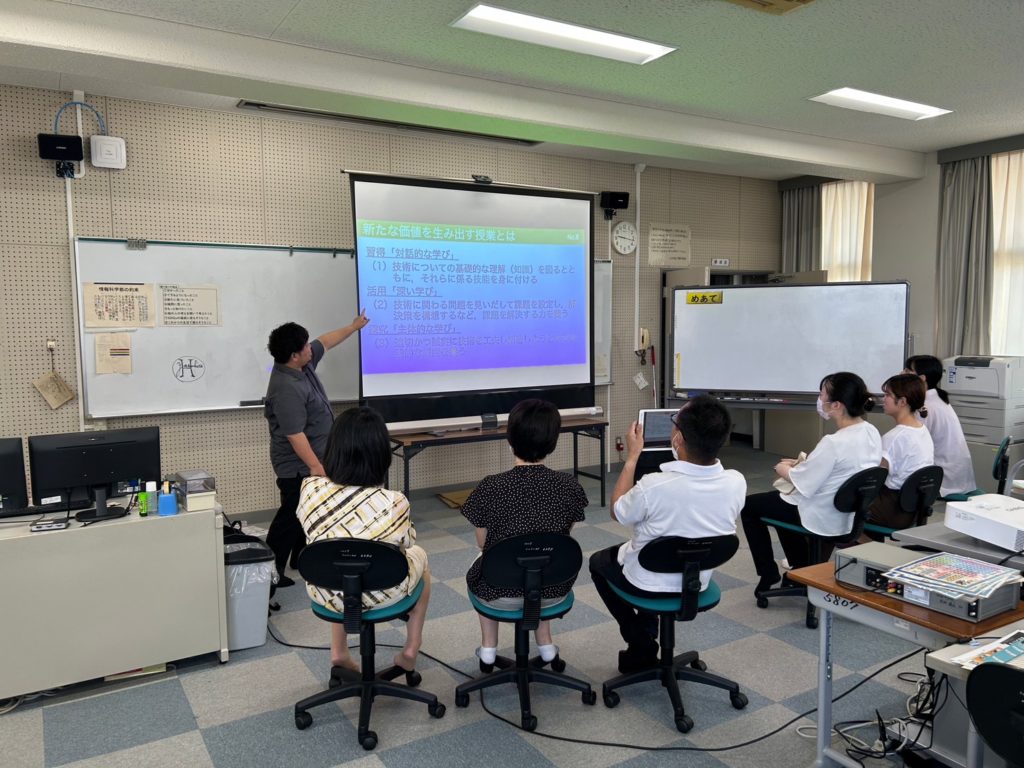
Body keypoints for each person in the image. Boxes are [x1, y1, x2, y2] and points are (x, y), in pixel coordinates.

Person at [589, 395, 746, 673]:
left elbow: (617, 511)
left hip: (648, 580)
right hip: (696, 580)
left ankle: (640, 641)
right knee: (653, 552)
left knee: (598, 563)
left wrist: (632, 458)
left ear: (679, 438)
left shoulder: (653, 486)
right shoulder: (737, 482)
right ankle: (646, 635)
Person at [296, 406, 430, 674]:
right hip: (384, 591)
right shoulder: (394, 501)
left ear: (333, 450)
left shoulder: (309, 489)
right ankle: (411, 648)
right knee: (421, 558)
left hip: (325, 590)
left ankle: (339, 651)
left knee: (338, 560)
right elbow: (407, 542)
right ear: (381, 455)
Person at [461, 399, 588, 668]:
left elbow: (483, 544)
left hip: (499, 592)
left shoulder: (490, 487)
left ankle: (488, 648)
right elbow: (560, 539)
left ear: (510, 440)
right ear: (553, 442)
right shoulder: (569, 486)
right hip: (554, 590)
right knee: (542, 557)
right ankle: (546, 645)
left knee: (484, 559)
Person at [740, 372, 882, 598]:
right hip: (848, 512)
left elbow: (803, 482)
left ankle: (768, 574)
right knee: (778, 504)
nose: (819, 398)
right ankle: (801, 569)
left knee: (750, 506)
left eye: (822, 394)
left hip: (821, 513)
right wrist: (802, 465)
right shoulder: (870, 431)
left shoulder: (833, 442)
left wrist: (783, 468)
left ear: (836, 405)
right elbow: (841, 469)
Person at [264, 312, 369, 587]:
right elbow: (295, 435)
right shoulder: (285, 387)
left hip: (313, 458)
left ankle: (299, 558)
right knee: (290, 516)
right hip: (297, 465)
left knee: (307, 510)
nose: (311, 348)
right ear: (294, 356)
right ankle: (270, 575)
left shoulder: (303, 364)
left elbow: (327, 341)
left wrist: (353, 327)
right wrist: (315, 466)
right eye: (305, 346)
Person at [865, 373, 935, 533]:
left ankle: (861, 542)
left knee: (838, 502)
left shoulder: (895, 437)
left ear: (902, 402)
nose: (883, 399)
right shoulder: (922, 430)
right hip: (913, 509)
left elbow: (873, 476)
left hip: (893, 509)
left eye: (888, 395)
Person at [904, 355, 976, 497]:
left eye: (907, 371)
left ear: (922, 378)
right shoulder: (937, 398)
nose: (902, 374)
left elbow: (914, 449)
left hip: (945, 480)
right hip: (956, 474)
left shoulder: (924, 407)